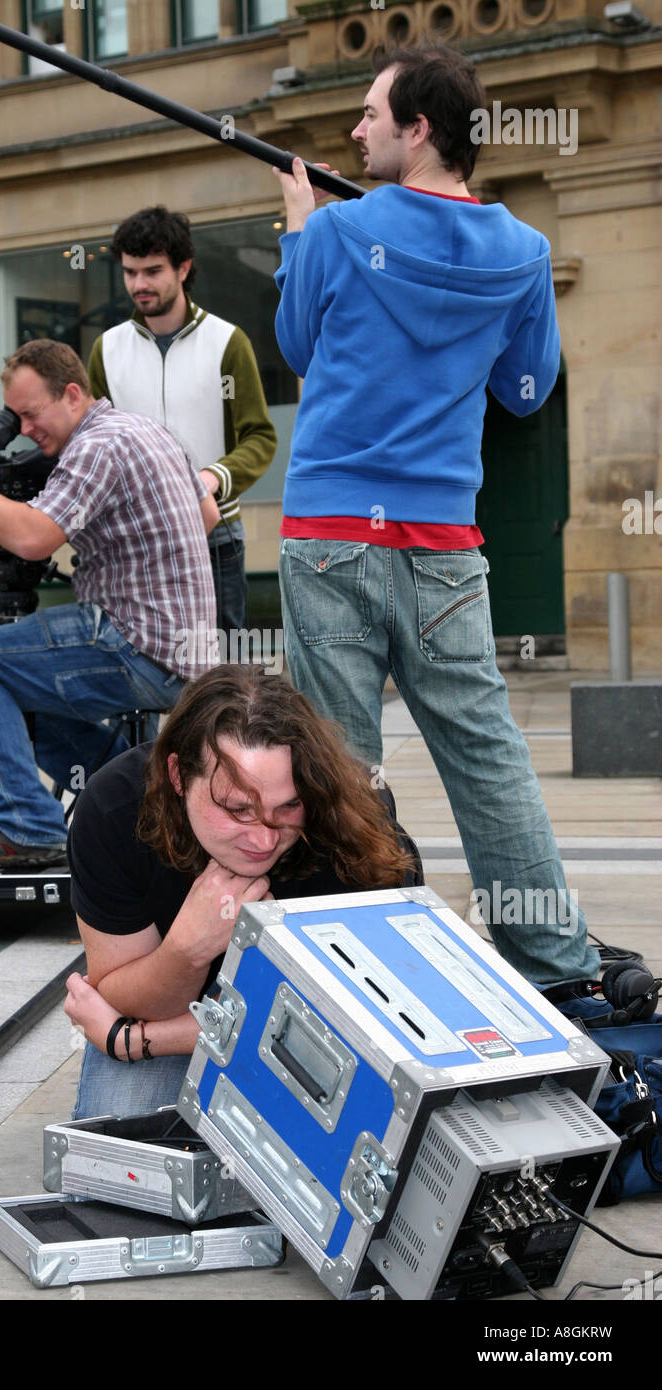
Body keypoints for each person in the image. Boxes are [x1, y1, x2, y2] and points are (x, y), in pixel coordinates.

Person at [270, 42, 598, 989]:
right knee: (487, 755)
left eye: (371, 115)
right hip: (446, 543)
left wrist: (300, 232)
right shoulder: (524, 251)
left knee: (339, 763)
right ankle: (557, 960)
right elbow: (530, 391)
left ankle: (348, 965)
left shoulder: (337, 235)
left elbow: (298, 343)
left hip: (332, 530)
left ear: (417, 129)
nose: (355, 129)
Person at [63, 662, 421, 1119]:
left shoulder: (350, 822)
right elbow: (122, 996)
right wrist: (186, 951)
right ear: (177, 776)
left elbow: (352, 1032)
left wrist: (133, 1041)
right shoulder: (113, 808)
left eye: (288, 806)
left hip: (304, 1036)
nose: (265, 839)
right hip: (174, 1007)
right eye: (237, 809)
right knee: (126, 1150)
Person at [0, 338, 217, 869]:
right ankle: (144, 803)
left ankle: (25, 828)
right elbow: (207, 519)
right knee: (13, 695)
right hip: (186, 655)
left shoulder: (96, 444)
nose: (25, 429)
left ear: (71, 394)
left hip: (135, 641)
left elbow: (36, 539)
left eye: (31, 414)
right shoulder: (152, 429)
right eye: (15, 419)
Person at [88, 206, 278, 638]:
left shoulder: (228, 342)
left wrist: (213, 477)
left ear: (184, 267)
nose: (140, 285)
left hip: (215, 537)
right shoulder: (107, 349)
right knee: (132, 678)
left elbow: (259, 437)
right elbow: (95, 444)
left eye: (153, 271)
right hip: (135, 544)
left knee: (220, 677)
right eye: (130, 272)